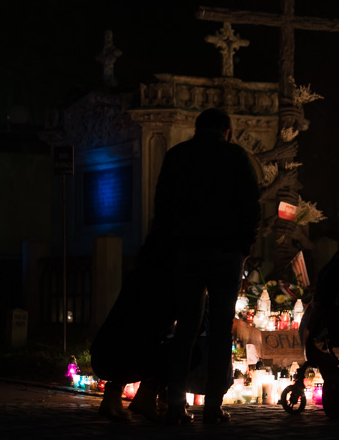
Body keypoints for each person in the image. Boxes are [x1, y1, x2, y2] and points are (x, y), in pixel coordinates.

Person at [153, 108, 261, 424]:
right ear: (227, 131)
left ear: (197, 129)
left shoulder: (178, 156)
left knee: (185, 328)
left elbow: (163, 207)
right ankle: (213, 406)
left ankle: (175, 403)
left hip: (186, 252)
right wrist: (245, 246)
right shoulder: (237, 157)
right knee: (219, 331)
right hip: (226, 253)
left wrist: (169, 246)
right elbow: (250, 206)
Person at [90, 233, 178, 422]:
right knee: (188, 349)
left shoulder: (136, 277)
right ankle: (146, 397)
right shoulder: (165, 286)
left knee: (135, 339)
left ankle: (112, 398)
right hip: (123, 358)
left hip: (102, 356)